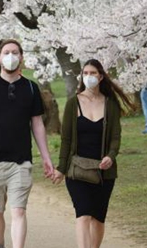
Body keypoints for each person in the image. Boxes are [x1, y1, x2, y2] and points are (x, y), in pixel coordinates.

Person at [0, 39, 54, 248]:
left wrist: (46, 157)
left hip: (21, 162)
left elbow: (37, 125)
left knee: (19, 210)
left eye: (15, 52)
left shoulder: (31, 88)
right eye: (6, 52)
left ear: (21, 57)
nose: (10, 56)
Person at [51, 59, 136, 248]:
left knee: (98, 218)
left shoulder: (110, 104)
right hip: (77, 170)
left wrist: (110, 156)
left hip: (103, 172)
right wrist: (61, 169)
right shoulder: (73, 103)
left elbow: (116, 137)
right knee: (83, 214)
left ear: (101, 76)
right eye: (86, 73)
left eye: (93, 73)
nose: (89, 77)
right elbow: (66, 140)